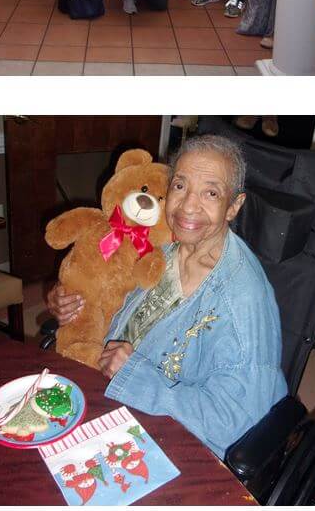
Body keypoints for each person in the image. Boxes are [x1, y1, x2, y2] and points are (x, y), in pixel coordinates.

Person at [48, 135, 288, 460]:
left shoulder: (242, 301)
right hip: (103, 384)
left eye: (211, 193)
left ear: (234, 206)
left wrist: (133, 375)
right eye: (180, 186)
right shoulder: (164, 244)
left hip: (168, 439)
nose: (188, 205)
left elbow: (234, 423)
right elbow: (106, 286)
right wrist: (69, 300)